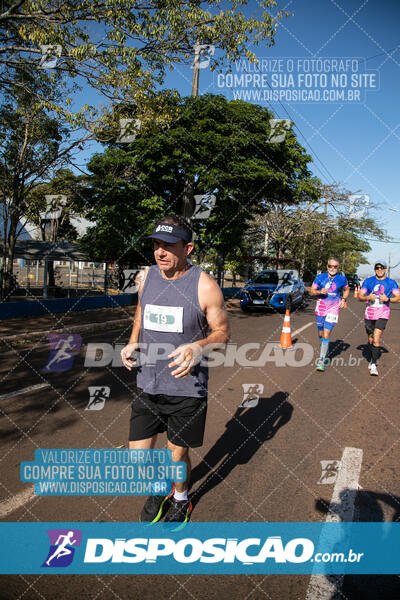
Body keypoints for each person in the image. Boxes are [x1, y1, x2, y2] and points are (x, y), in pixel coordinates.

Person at [121, 215, 230, 524]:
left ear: (188, 248)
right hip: (148, 383)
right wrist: (132, 342)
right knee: (138, 459)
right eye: (157, 245)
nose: (160, 252)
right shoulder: (146, 277)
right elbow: (142, 310)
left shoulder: (205, 286)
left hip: (186, 389)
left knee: (176, 456)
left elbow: (223, 334)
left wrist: (199, 347)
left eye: (169, 246)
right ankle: (161, 489)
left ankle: (181, 497)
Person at [358, 260, 400, 376]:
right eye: (377, 268)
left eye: (382, 268)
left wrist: (388, 299)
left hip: (383, 313)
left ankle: (373, 364)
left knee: (376, 338)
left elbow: (398, 298)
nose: (380, 270)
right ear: (375, 269)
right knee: (371, 340)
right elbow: (360, 297)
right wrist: (368, 296)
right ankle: (373, 354)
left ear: (386, 269)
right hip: (369, 314)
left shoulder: (391, 283)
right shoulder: (368, 281)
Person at [308, 257, 349, 372]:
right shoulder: (320, 277)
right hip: (321, 308)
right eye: (330, 266)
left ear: (338, 267)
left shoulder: (341, 279)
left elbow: (346, 289)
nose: (332, 268)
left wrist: (343, 299)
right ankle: (325, 349)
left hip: (334, 309)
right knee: (321, 333)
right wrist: (319, 292)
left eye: (335, 266)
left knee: (326, 334)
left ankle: (321, 361)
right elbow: (311, 291)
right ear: (327, 266)